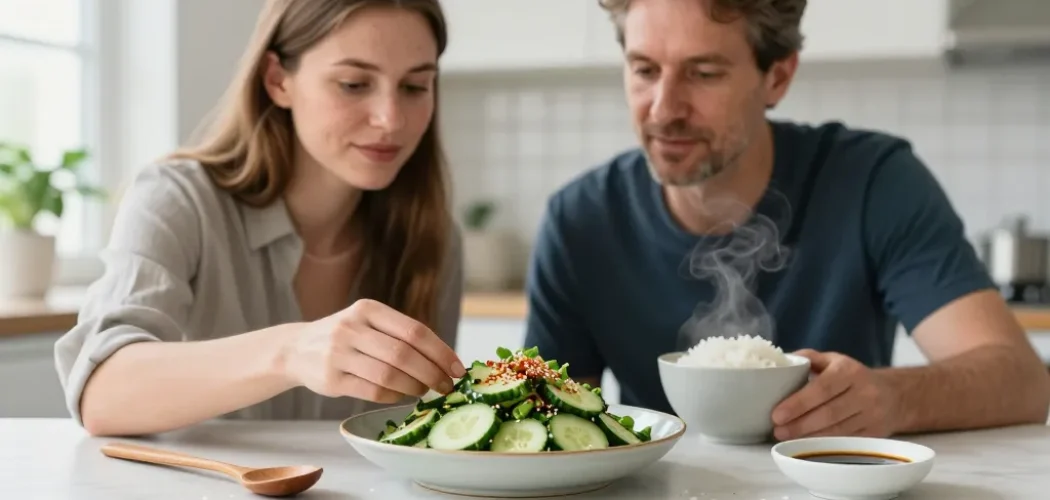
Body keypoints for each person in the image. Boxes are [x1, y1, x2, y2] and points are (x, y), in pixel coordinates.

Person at [524, 0, 1050, 440]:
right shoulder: (580, 221)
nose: (664, 109)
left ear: (778, 76)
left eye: (703, 73)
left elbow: (1025, 383)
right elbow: (549, 420)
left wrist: (892, 398)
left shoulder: (873, 183)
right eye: (644, 70)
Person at [54, 0, 467, 437]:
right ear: (277, 80)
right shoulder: (178, 198)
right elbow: (101, 393)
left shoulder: (434, 236)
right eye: (353, 84)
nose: (390, 118)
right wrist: (289, 352)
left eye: (415, 87)